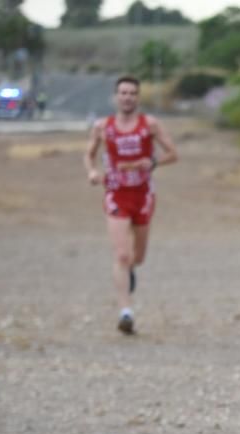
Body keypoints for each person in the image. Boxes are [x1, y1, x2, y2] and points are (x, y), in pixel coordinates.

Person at [83, 75, 178, 335]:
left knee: (138, 257)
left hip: (143, 195)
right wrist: (92, 172)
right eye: (123, 93)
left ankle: (130, 271)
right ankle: (126, 312)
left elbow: (173, 153)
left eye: (132, 93)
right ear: (116, 97)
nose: (127, 97)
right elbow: (89, 155)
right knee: (122, 255)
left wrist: (154, 162)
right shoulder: (103, 126)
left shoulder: (150, 125)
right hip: (116, 194)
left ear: (138, 97)